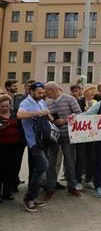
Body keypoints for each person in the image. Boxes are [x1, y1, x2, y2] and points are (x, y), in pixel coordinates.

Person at [17, 82, 52, 212]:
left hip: (43, 140)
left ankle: (32, 196)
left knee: (40, 168)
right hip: (33, 142)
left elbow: (44, 113)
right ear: (31, 91)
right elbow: (19, 115)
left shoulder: (41, 101)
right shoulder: (26, 102)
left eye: (43, 93)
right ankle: (28, 198)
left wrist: (48, 115)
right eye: (39, 93)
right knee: (43, 166)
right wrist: (39, 112)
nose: (41, 95)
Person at [45, 82, 82, 199]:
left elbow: (79, 114)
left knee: (70, 161)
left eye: (47, 92)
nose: (46, 94)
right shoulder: (48, 102)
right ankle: (50, 188)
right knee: (51, 163)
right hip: (53, 137)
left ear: (53, 90)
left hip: (68, 135)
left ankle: (72, 187)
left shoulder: (69, 99)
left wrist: (64, 121)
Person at [0, 95, 22, 202]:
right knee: (1, 169)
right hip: (2, 146)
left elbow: (20, 126)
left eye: (7, 106)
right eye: (2, 106)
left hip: (15, 146)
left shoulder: (14, 114)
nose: (5, 108)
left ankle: (7, 192)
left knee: (11, 169)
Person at [75, 84, 96, 190]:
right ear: (85, 92)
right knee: (80, 157)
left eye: (94, 91)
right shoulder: (79, 102)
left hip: (92, 134)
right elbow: (75, 115)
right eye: (91, 90)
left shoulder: (97, 103)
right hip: (81, 134)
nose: (93, 92)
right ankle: (77, 181)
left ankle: (89, 179)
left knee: (92, 157)